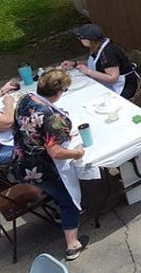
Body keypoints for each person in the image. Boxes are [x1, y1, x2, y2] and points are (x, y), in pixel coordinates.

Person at [11, 69, 89, 261]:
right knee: (69, 201)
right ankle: (72, 245)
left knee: (57, 192)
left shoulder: (26, 98)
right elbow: (55, 152)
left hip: (21, 161)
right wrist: (76, 152)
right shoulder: (51, 117)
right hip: (42, 169)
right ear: (59, 92)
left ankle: (57, 205)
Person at [61, 23, 138, 99]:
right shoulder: (97, 46)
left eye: (80, 37)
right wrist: (75, 63)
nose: (79, 40)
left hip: (123, 87)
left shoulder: (108, 53)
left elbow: (113, 78)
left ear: (88, 40)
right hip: (107, 83)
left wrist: (88, 71)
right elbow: (95, 63)